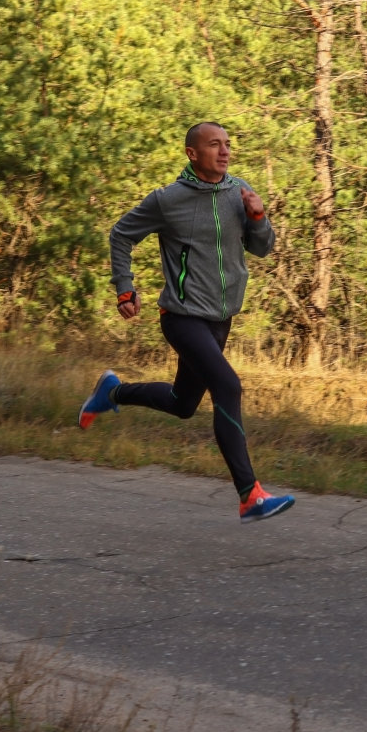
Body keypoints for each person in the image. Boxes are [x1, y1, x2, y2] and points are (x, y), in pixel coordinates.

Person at [78, 121, 295, 524]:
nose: (225, 151)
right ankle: (250, 496)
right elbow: (121, 235)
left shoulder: (239, 191)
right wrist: (124, 288)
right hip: (181, 316)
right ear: (193, 154)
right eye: (214, 145)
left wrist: (258, 216)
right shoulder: (168, 200)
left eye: (227, 144)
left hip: (220, 319)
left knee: (183, 404)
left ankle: (113, 392)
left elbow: (262, 248)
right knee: (228, 386)